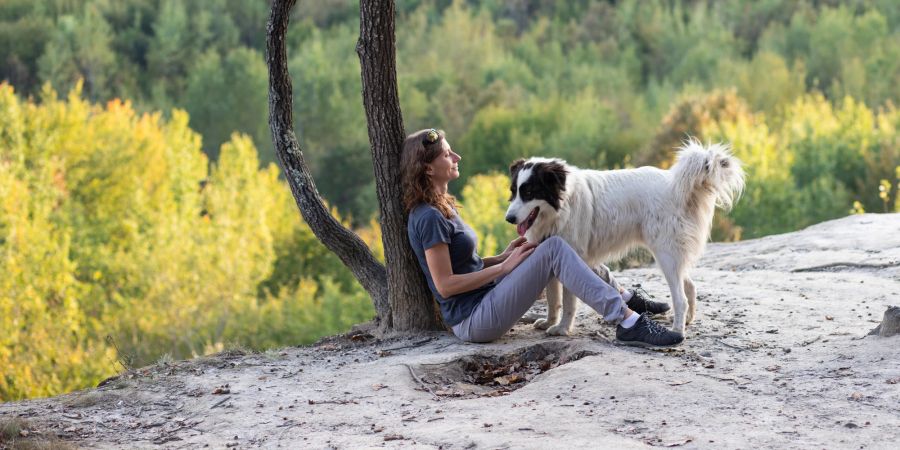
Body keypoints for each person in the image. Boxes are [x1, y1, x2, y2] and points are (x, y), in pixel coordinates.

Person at [401, 128, 682, 346]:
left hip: (486, 299)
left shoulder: (442, 206)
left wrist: (502, 257)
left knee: (555, 245)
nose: (456, 157)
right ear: (428, 168)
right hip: (474, 321)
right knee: (555, 247)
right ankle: (627, 320)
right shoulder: (428, 217)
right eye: (448, 154)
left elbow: (464, 266)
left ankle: (625, 297)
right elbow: (446, 285)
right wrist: (503, 268)